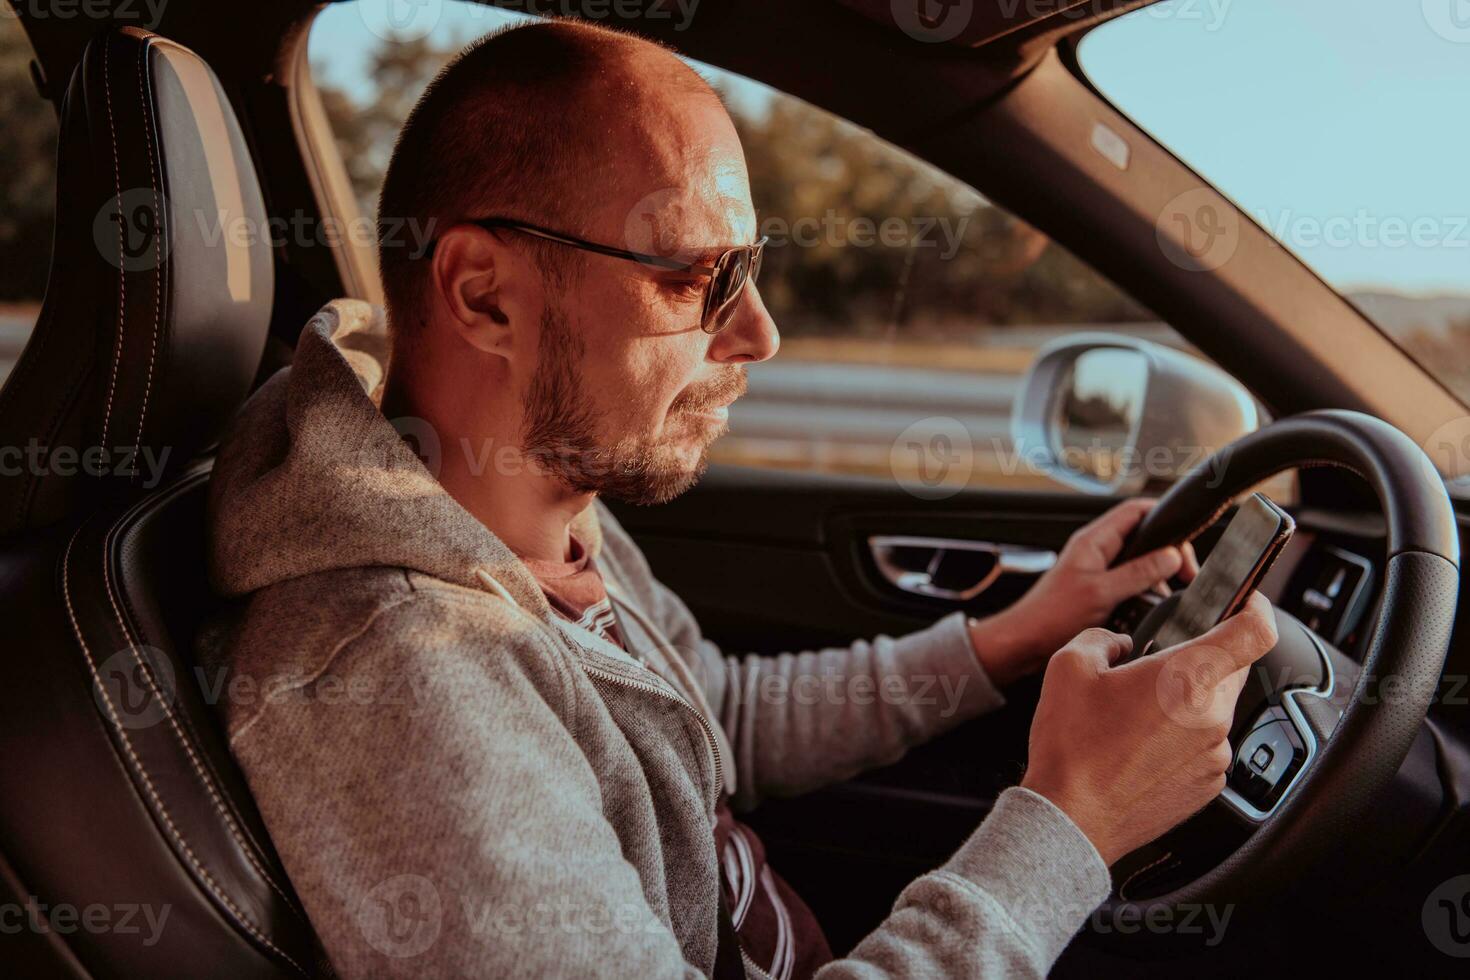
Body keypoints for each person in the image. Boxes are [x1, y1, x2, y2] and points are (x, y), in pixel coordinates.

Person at [201, 18, 1277, 978]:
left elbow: (713, 720)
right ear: (486, 293)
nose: (758, 331)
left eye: (750, 266)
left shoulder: (544, 511)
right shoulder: (402, 686)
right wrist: (1071, 821)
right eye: (694, 276)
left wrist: (1016, 634)